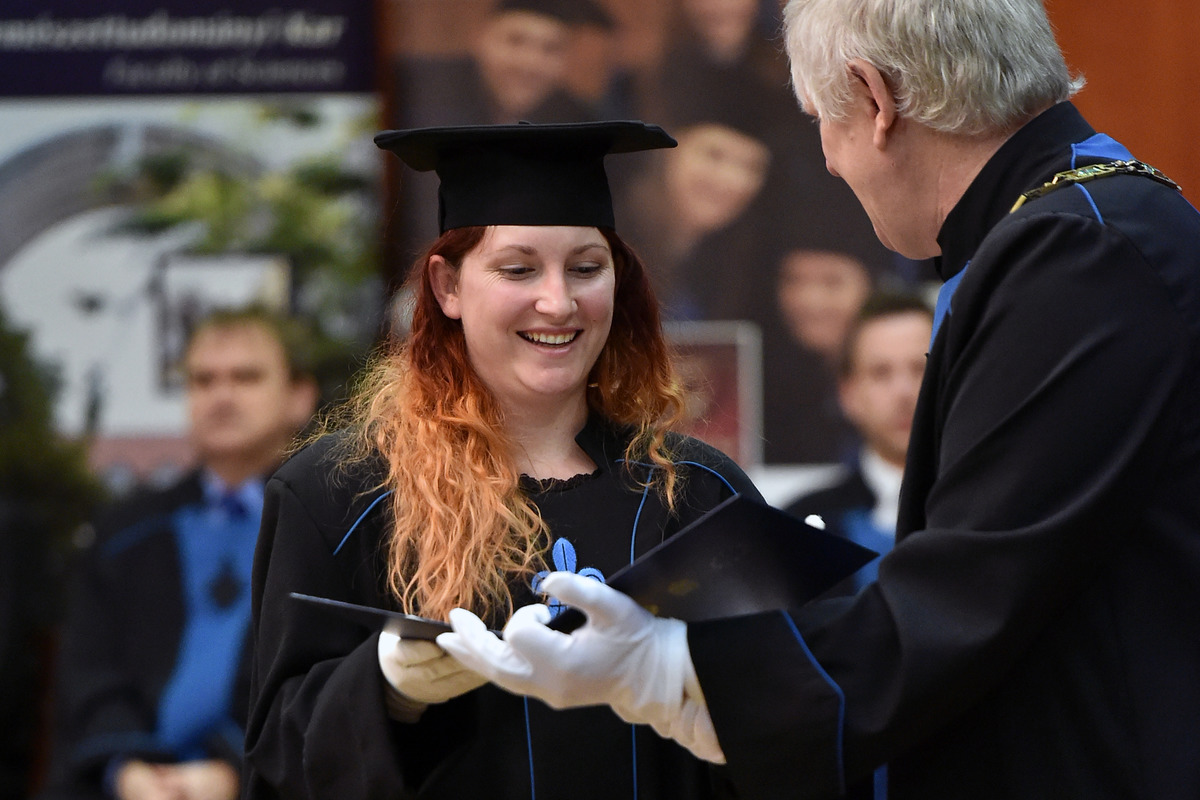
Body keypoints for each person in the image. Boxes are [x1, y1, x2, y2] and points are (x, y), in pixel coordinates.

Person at [438, 1, 1200, 798]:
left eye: (819, 123)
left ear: (875, 99)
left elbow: (979, 581)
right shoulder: (1076, 223)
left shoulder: (1076, 250)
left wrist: (679, 674)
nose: (830, 162)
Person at [242, 120, 764, 800]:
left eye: (587, 268)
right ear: (447, 287)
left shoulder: (696, 492)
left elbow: (788, 722)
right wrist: (385, 687)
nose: (558, 301)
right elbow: (280, 756)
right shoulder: (339, 493)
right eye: (518, 269)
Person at [38, 307, 319, 800]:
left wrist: (234, 773)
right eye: (203, 380)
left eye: (246, 377)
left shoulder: (329, 526)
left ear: (299, 396)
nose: (221, 396)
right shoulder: (126, 532)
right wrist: (126, 768)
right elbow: (88, 671)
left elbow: (329, 682)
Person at [785, 291, 933, 593]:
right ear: (848, 394)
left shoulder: (996, 510)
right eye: (881, 373)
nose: (904, 392)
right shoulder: (801, 528)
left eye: (920, 369)